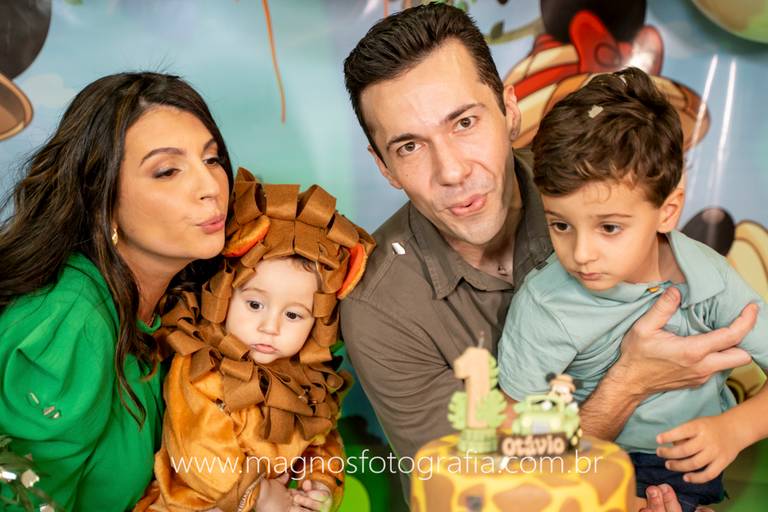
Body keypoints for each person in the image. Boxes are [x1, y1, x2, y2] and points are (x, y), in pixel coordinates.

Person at [339, 3, 757, 507]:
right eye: (409, 147)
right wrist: (629, 383)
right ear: (383, 166)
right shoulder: (378, 306)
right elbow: (479, 490)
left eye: (464, 122)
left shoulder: (590, 185)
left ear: (510, 111)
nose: (451, 171)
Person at [497, 67, 768, 512]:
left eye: (609, 227)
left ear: (667, 211)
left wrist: (734, 430)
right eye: (560, 225)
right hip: (585, 459)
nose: (581, 254)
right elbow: (513, 435)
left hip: (683, 464)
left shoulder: (711, 281)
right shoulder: (545, 303)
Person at [0, 72, 233, 510]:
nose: (209, 188)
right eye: (167, 171)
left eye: (212, 159)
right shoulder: (72, 322)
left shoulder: (166, 311)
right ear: (102, 199)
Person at [134, 169, 375, 512]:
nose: (270, 327)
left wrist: (320, 485)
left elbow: (322, 441)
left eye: (293, 315)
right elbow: (198, 452)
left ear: (318, 322)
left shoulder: (309, 383)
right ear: (225, 294)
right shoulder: (202, 369)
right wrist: (257, 496)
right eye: (255, 304)